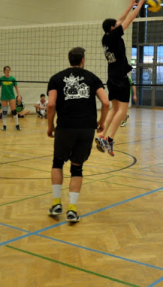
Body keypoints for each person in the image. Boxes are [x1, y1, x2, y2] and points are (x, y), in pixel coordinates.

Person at [47, 47, 110, 221]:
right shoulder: (92, 78)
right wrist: (102, 122)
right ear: (83, 60)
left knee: (57, 162)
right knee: (77, 167)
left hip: (65, 127)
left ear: (70, 60)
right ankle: (72, 210)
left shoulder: (56, 78)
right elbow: (106, 102)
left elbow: (50, 105)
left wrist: (50, 126)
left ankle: (56, 204)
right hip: (86, 128)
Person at [95, 0, 146, 156]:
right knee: (123, 111)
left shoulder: (105, 38)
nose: (118, 24)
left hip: (111, 78)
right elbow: (128, 20)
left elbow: (120, 20)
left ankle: (102, 135)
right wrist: (140, 5)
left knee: (114, 109)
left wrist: (129, 5)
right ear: (112, 28)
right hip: (120, 78)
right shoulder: (115, 35)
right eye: (116, 25)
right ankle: (109, 139)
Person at [0, 66, 22, 131]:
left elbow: (17, 88)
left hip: (11, 96)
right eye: (6, 70)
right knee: (4, 111)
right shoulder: (1, 79)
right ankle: (4, 125)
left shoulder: (12, 79)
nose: (8, 71)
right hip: (4, 97)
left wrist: (19, 95)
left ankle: (17, 125)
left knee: (14, 111)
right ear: (4, 71)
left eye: (9, 70)